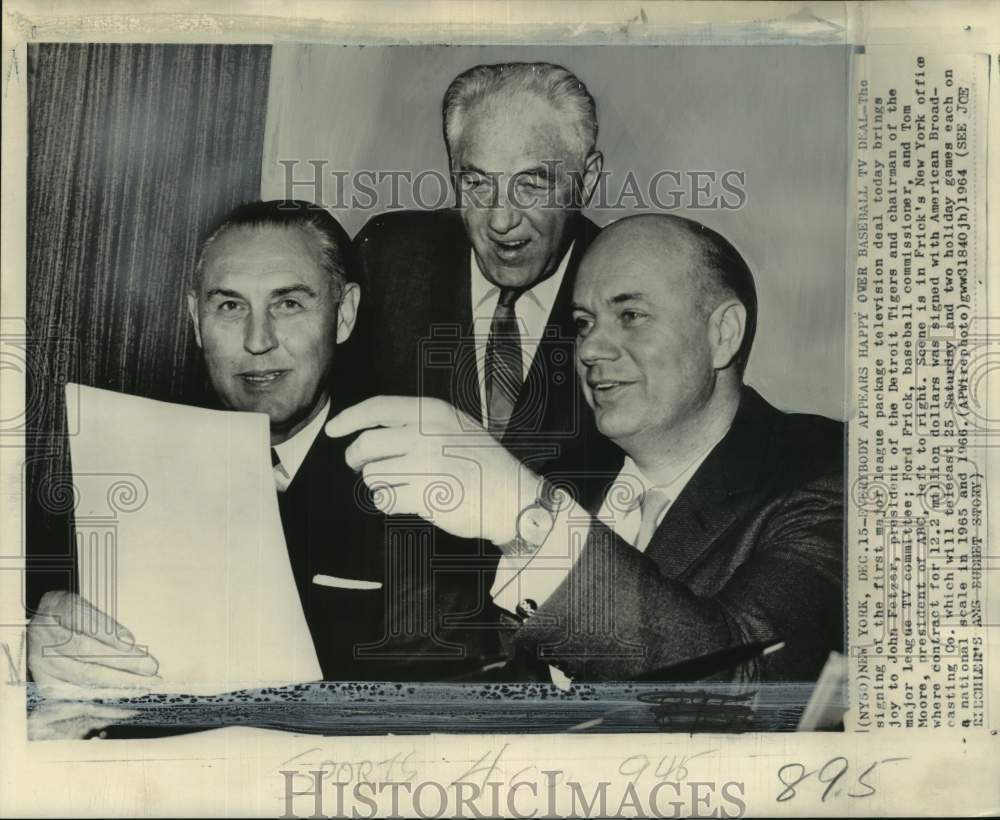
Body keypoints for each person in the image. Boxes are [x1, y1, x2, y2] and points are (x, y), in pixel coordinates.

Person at [327, 213, 844, 684]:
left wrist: (528, 519)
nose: (591, 348)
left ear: (723, 334)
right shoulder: (566, 473)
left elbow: (746, 685)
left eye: (631, 316)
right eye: (583, 323)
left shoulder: (827, 468)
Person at [25, 202, 468, 739]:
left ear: (344, 313)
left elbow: (438, 713)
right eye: (231, 306)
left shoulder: (420, 485)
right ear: (195, 320)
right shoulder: (122, 466)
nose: (258, 340)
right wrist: (39, 635)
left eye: (288, 303)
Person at [345, 61, 623, 639]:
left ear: (586, 178)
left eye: (532, 182)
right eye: (476, 182)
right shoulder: (388, 259)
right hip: (392, 641)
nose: (501, 220)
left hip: (558, 648)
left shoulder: (629, 288)